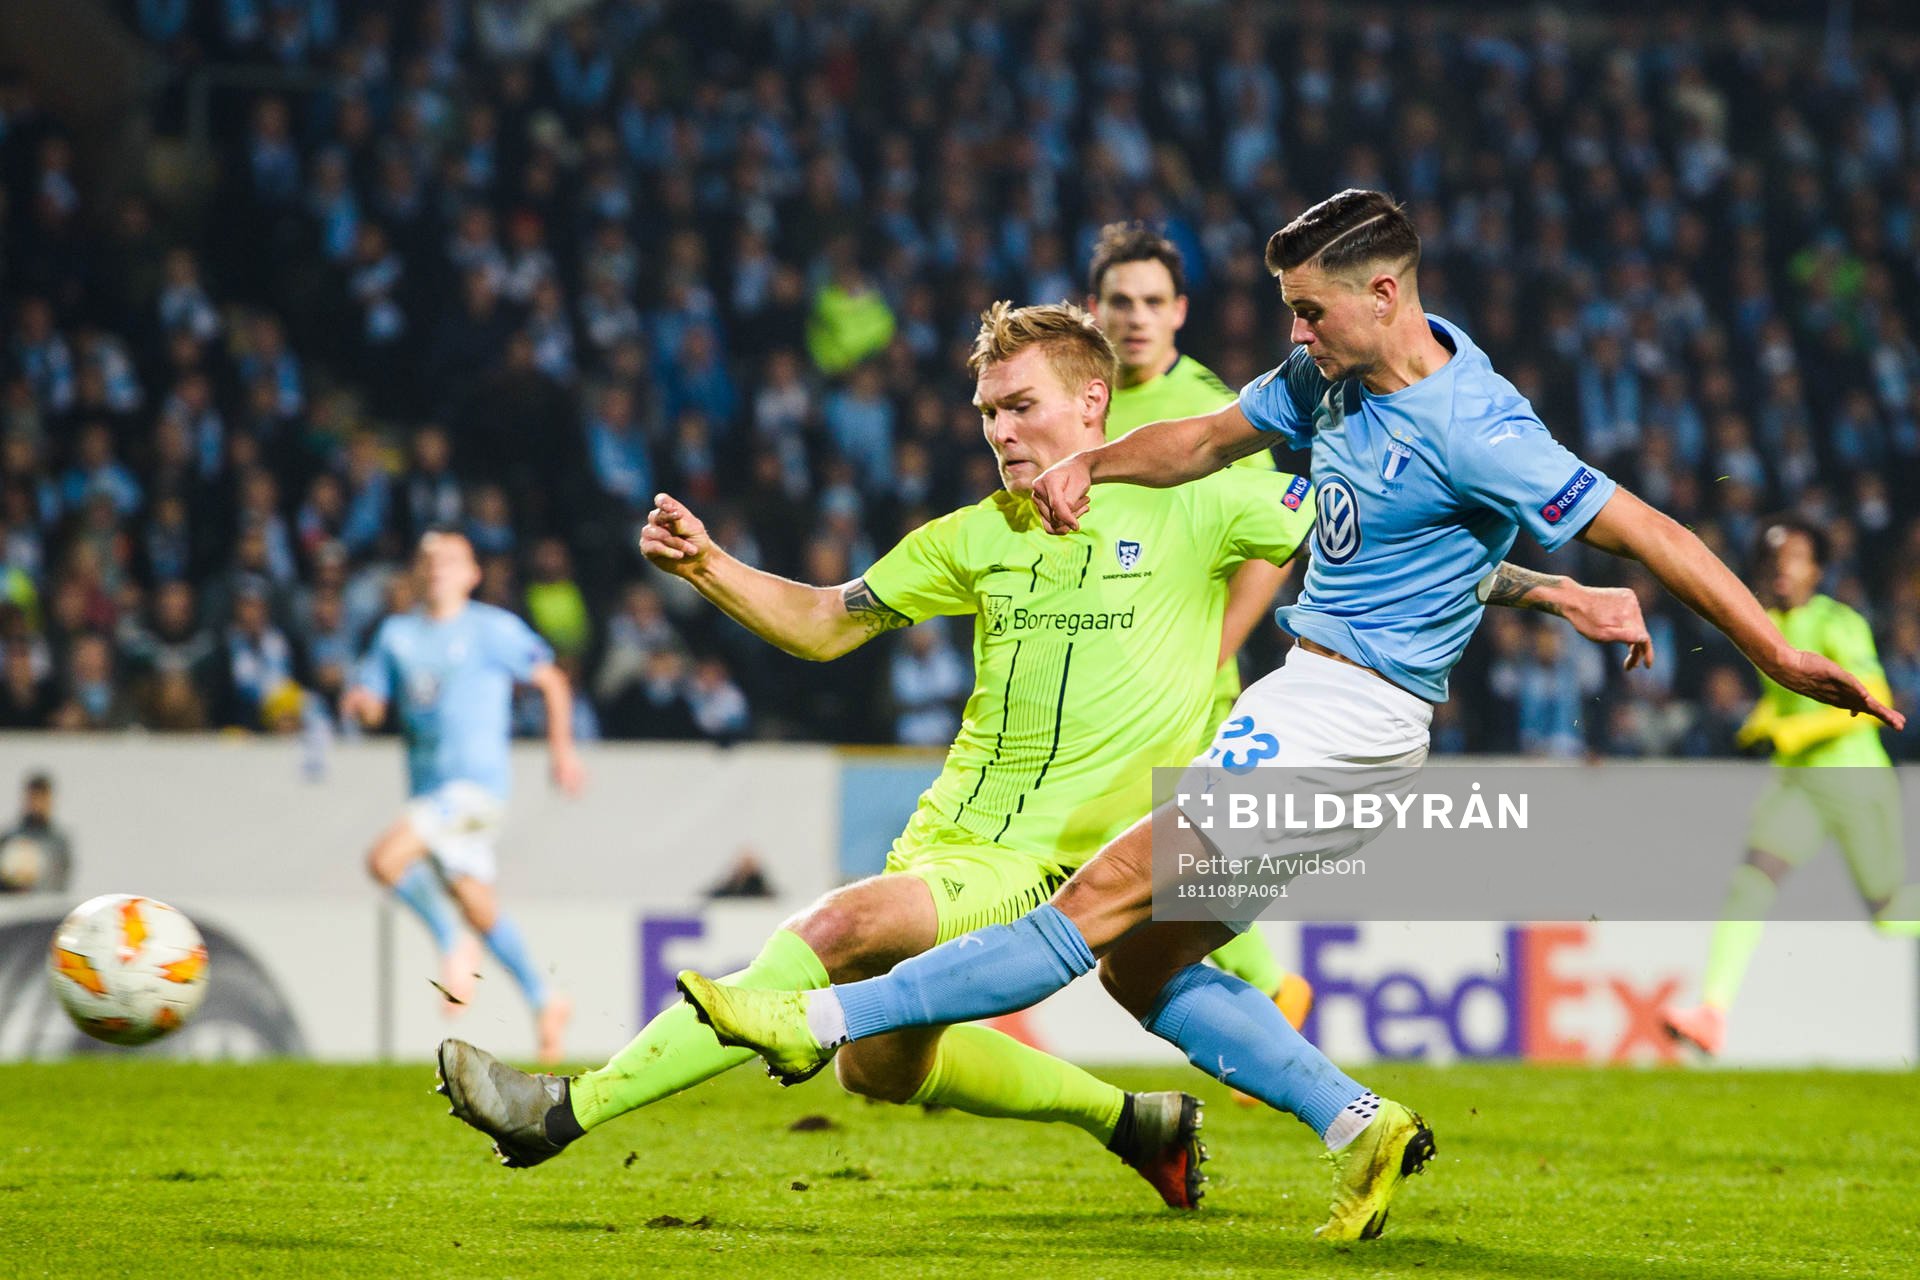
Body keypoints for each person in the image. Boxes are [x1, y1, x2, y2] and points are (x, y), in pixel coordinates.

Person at [676, 190, 1896, 1242]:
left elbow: (1654, 531)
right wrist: (1092, 462)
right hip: (1323, 710)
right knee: (1142, 961)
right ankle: (1359, 1123)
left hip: (1342, 717)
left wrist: (1776, 649)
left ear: (1384, 292)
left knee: (1089, 904)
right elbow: (1206, 438)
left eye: (1310, 309)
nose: (1294, 333)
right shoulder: (1328, 375)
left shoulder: (1480, 425)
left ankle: (810, 1015)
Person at [435, 300, 1640, 1209]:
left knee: (839, 930)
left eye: (1019, 407)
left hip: (1050, 861)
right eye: (987, 413)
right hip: (949, 836)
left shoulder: (1200, 501)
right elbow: (824, 620)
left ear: (1093, 405)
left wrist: (1555, 591)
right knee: (879, 1072)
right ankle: (1134, 1121)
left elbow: (1380, 542)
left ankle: (562, 1109)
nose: (1000, 430)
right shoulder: (973, 534)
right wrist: (710, 567)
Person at [1088, 220, 1310, 1036]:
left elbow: (1277, 540)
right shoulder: (1085, 399)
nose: (1136, 318)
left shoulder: (1213, 409)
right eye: (1121, 301)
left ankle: (1268, 986)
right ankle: (1269, 989)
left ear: (1181, 310)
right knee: (1149, 857)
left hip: (1182, 681)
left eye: (1153, 302)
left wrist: (1211, 653)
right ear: (1093, 308)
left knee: (1154, 853)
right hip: (1107, 672)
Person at [1661, 515, 1918, 1055]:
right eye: (1774, 558)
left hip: (1853, 779)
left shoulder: (1837, 621)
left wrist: (1790, 730)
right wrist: (1760, 723)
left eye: (1795, 557)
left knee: (1890, 914)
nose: (1782, 567)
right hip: (1799, 783)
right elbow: (1784, 703)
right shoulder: (1765, 625)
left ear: (1817, 570)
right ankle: (1712, 1013)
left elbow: (1872, 695)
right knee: (1751, 883)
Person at [343, 530, 585, 1063]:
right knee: (478, 905)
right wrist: (360, 703)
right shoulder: (396, 635)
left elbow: (552, 682)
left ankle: (452, 945)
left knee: (384, 861)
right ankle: (545, 999)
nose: (437, 567)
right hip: (429, 792)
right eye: (427, 559)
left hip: (476, 789)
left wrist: (562, 752)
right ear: (415, 572)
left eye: (450, 560)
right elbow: (375, 706)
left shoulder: (492, 629)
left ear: (472, 574)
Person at [0, 773, 72, 893]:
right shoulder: (10, 838)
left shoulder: (59, 842)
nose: (37, 804)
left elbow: (62, 878)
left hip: (49, 902)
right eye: (34, 798)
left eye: (42, 798)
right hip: (16, 903)